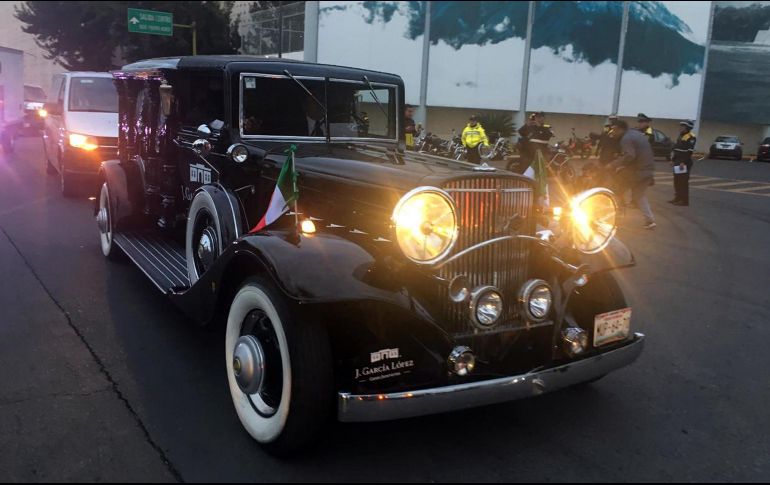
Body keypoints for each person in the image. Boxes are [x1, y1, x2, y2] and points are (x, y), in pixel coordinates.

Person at [610, 120, 657, 230]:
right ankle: (650, 221)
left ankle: (618, 218)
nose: (613, 132)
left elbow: (629, 156)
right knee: (639, 195)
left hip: (638, 171)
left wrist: (614, 164)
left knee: (617, 190)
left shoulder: (626, 138)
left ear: (620, 129)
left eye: (614, 130)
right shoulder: (636, 134)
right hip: (648, 170)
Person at [670, 120, 696, 206]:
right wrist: (673, 160)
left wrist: (683, 162)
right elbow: (676, 149)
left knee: (683, 182)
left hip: (684, 162)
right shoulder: (681, 136)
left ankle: (684, 201)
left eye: (683, 126)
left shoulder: (691, 137)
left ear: (688, 128)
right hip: (678, 161)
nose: (680, 128)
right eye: (680, 126)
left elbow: (689, 152)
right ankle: (677, 198)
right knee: (676, 181)